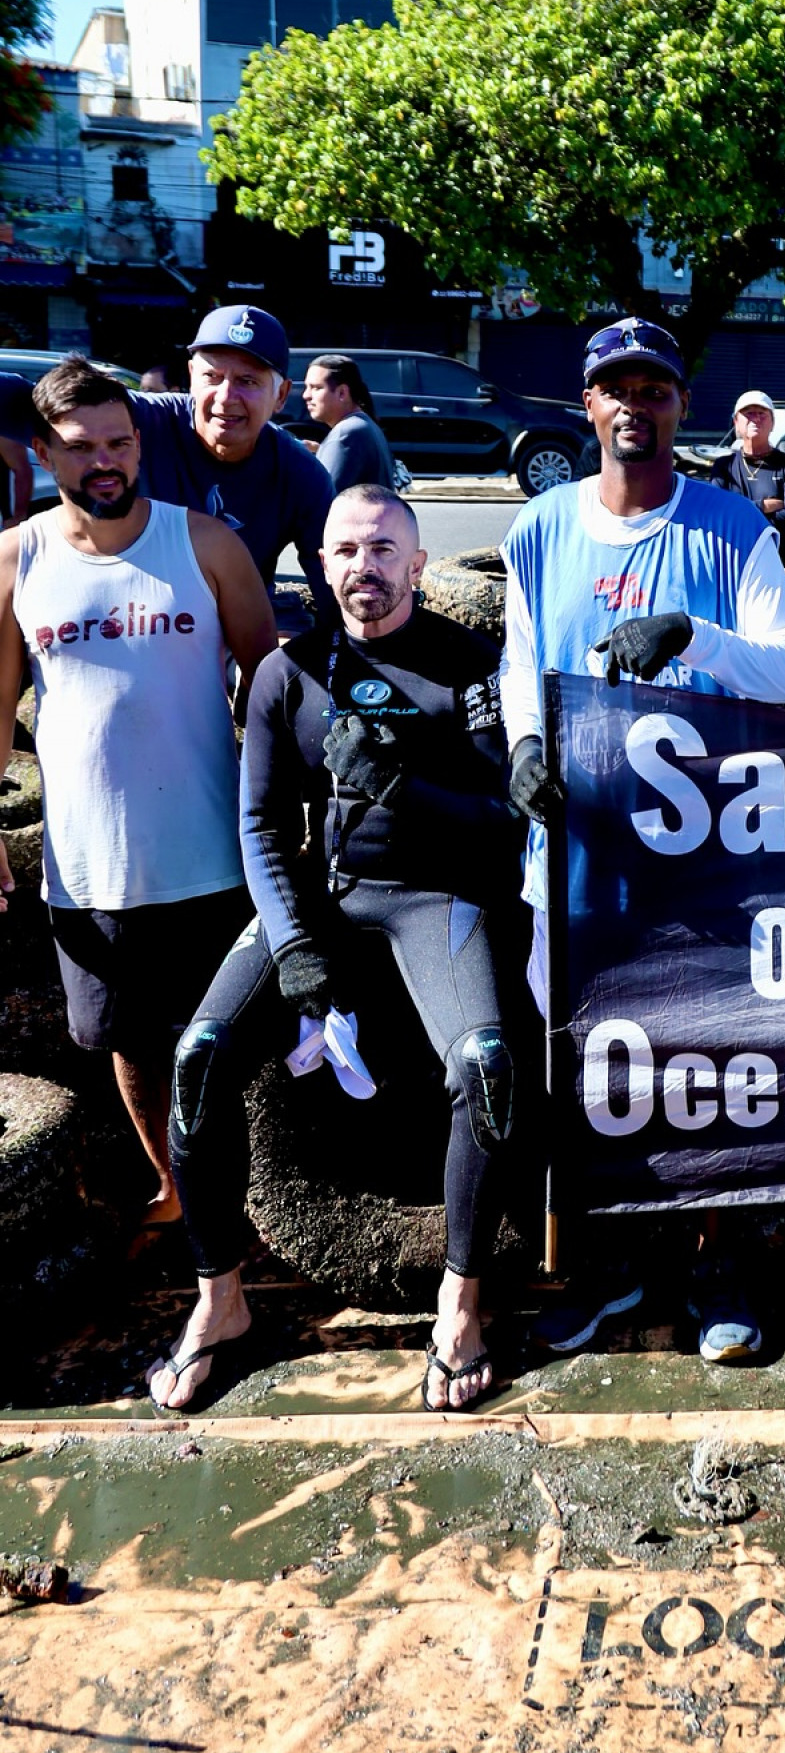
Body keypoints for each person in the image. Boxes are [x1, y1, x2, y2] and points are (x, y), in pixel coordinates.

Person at [147, 483, 524, 1414]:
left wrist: (399, 786)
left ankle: (461, 1304)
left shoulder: (469, 665)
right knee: (197, 1062)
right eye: (347, 551)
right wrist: (295, 946)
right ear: (322, 565)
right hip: (322, 900)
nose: (366, 567)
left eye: (385, 549)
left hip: (435, 897)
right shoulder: (288, 672)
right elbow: (263, 825)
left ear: (419, 562)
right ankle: (220, 1302)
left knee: (487, 1067)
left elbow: (504, 823)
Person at [499, 316, 785, 1361]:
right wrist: (527, 744)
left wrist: (693, 633)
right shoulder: (541, 527)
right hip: (582, 861)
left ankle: (722, 1265)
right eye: (614, 387)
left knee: (714, 1072)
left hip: (708, 863)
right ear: (587, 406)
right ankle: (621, 1271)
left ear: (684, 405)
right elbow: (519, 663)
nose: (636, 403)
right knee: (596, 1078)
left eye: (656, 387)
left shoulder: (730, 528)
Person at [0, 361, 276, 1223]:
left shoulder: (205, 545)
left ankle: (245, 1197)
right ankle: (176, 1192)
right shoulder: (15, 559)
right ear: (44, 452)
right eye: (82, 448)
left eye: (121, 442)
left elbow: (273, 693)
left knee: (227, 1046)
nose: (107, 462)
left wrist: (290, 821)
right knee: (125, 1042)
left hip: (207, 856)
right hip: (87, 871)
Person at [1, 305, 333, 622]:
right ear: (191, 375)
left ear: (280, 395)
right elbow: (23, 403)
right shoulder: (137, 420)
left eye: (248, 381)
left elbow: (334, 583)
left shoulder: (300, 475)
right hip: (120, 621)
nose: (226, 396)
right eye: (212, 376)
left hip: (236, 632)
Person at [713, 389, 785, 567]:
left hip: (779, 564)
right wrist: (763, 505)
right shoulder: (723, 466)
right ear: (736, 422)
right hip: (734, 565)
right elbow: (718, 515)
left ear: (772, 423)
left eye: (762, 413)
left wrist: (739, 513)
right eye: (749, 413)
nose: (755, 418)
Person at [302, 354, 398, 494]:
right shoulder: (364, 424)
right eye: (307, 387)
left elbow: (318, 501)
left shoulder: (347, 433)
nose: (306, 395)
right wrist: (323, 451)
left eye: (316, 387)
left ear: (342, 393)